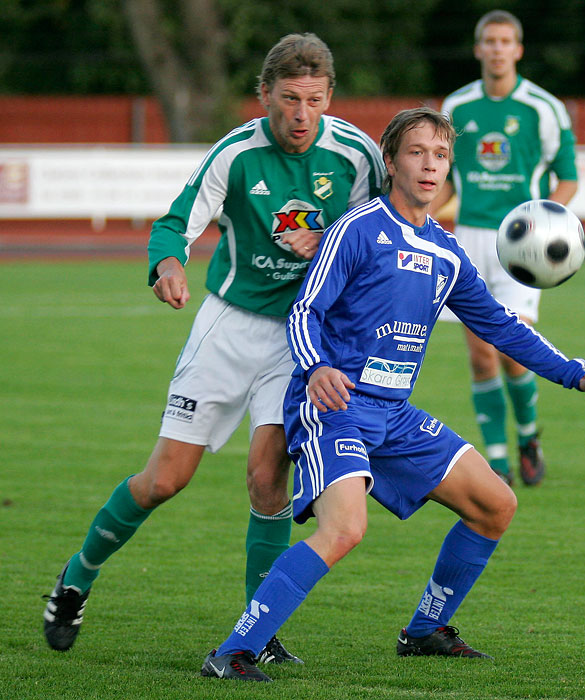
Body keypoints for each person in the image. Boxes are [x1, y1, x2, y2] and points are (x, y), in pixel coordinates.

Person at [199, 108, 585, 682]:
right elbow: (306, 309)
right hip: (335, 406)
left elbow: (501, 325)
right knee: (344, 530)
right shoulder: (357, 228)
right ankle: (233, 652)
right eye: (416, 152)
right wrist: (315, 369)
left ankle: (426, 629)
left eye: (440, 155)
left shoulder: (446, 250)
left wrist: (576, 374)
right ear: (390, 160)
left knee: (495, 505)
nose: (429, 165)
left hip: (393, 414)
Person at [42, 33, 384, 662]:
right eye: (288, 99)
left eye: (313, 100)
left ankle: (261, 628)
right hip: (228, 327)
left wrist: (340, 251)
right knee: (164, 481)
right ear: (264, 96)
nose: (301, 115)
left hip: (301, 338)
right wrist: (168, 265)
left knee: (267, 474)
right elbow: (174, 223)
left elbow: (381, 231)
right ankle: (75, 577)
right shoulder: (235, 154)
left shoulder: (358, 156)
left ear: (330, 97)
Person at [431, 10, 579, 486]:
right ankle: (497, 459)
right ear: (478, 50)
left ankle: (529, 436)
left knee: (515, 352)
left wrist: (545, 224)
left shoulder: (543, 108)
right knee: (479, 355)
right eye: (489, 42)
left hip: (522, 246)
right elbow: (447, 176)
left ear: (517, 50)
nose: (496, 49)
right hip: (469, 239)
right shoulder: (457, 106)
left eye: (505, 42)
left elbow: (568, 177)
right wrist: (423, 216)